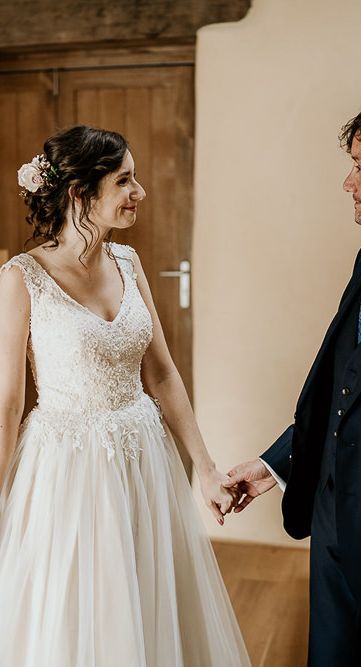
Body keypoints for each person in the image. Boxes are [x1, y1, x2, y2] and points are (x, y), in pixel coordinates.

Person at [0, 126, 249, 666]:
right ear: (81, 194)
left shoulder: (129, 264)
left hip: (142, 457)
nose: (140, 192)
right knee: (76, 619)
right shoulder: (21, 281)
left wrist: (203, 468)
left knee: (149, 601)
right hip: (66, 470)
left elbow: (161, 374)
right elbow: (7, 410)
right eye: (125, 181)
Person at [224, 111, 361, 666]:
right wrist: (274, 464)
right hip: (336, 515)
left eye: (359, 167)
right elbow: (341, 389)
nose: (348, 183)